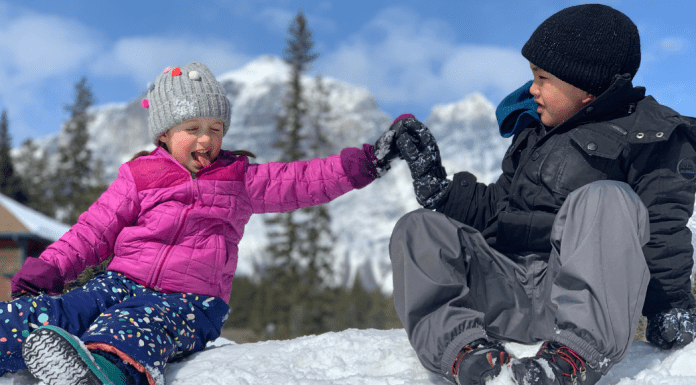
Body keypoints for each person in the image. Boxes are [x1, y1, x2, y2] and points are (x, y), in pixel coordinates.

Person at [5, 61, 397, 385]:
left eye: (215, 129)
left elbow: (303, 180)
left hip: (189, 301)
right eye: (193, 129)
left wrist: (367, 162)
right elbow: (94, 230)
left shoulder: (238, 179)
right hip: (119, 281)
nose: (206, 140)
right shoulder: (139, 176)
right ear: (165, 133)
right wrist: (49, 269)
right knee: (57, 310)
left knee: (132, 325)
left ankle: (100, 376)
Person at [386, 4, 696, 385]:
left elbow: (664, 228)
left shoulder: (653, 134)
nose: (532, 89)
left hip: (577, 299)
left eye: (543, 77)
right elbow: (499, 211)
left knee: (606, 198)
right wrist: (440, 191)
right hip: (506, 292)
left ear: (586, 86)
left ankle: (572, 357)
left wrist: (671, 307)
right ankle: (466, 353)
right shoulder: (534, 132)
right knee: (416, 229)